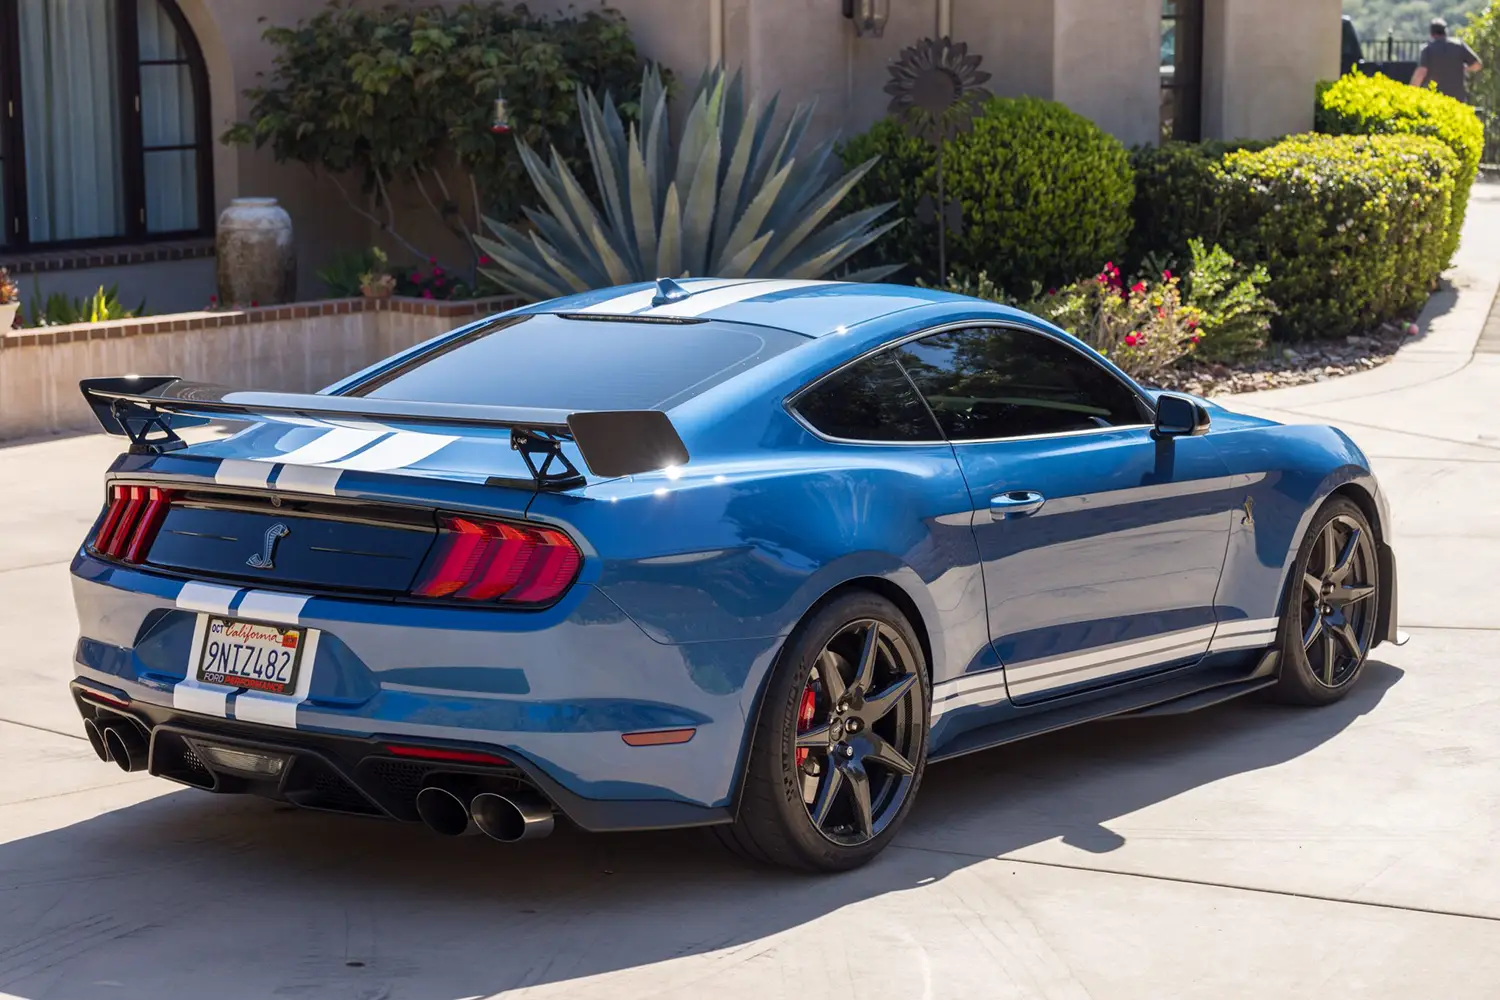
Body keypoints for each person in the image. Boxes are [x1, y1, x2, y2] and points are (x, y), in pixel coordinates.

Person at [1411, 17, 1482, 102]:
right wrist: (1463, 68)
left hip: (1434, 97)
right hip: (1457, 97)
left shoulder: (1428, 49)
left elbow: (1421, 72)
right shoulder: (1459, 45)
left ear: (1431, 33)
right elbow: (1477, 65)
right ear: (1445, 32)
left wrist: (1411, 93)